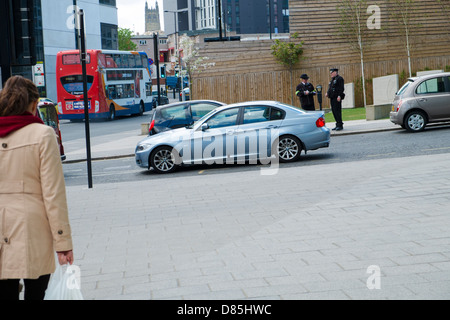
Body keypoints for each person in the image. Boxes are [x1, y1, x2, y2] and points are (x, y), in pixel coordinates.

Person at [0, 76, 74, 300]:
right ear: (33, 104)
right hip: (32, 229)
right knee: (35, 293)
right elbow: (53, 194)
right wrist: (63, 243)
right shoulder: (43, 135)